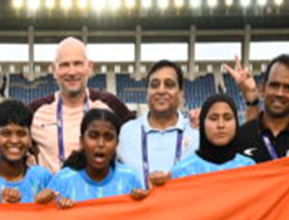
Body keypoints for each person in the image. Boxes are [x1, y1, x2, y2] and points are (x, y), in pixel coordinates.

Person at [26, 37, 133, 173]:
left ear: (89, 67)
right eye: (64, 65)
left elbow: (139, 138)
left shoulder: (110, 104)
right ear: (54, 70)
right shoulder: (36, 111)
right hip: (53, 192)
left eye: (78, 64)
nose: (71, 72)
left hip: (98, 192)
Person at [226, 54, 289, 186]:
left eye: (288, 88)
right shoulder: (239, 137)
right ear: (263, 89)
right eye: (274, 85)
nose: (280, 93)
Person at [117, 60, 193, 187]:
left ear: (181, 93)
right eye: (154, 85)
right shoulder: (126, 132)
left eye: (169, 85)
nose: (161, 90)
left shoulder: (195, 131)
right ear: (147, 92)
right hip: (139, 206)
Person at [50, 109, 149, 204]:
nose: (101, 144)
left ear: (117, 143)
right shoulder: (62, 180)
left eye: (108, 137)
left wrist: (142, 201)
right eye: (93, 136)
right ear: (82, 141)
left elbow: (144, 217)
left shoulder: (130, 179)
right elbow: (45, 216)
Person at [171, 95, 255, 178]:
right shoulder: (181, 172)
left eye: (227, 118)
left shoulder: (249, 168)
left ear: (236, 123)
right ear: (202, 124)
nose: (221, 125)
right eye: (213, 118)